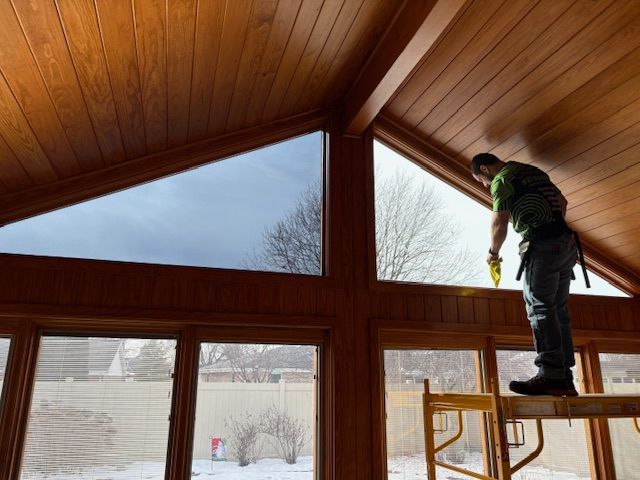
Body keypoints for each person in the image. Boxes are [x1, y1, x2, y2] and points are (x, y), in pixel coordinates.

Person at [471, 153, 579, 396]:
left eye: (482, 181)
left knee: (539, 307)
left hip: (542, 245)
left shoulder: (502, 180)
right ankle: (565, 377)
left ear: (485, 169)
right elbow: (562, 203)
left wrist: (493, 253)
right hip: (566, 243)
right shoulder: (532, 171)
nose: (486, 186)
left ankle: (550, 375)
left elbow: (499, 221)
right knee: (558, 310)